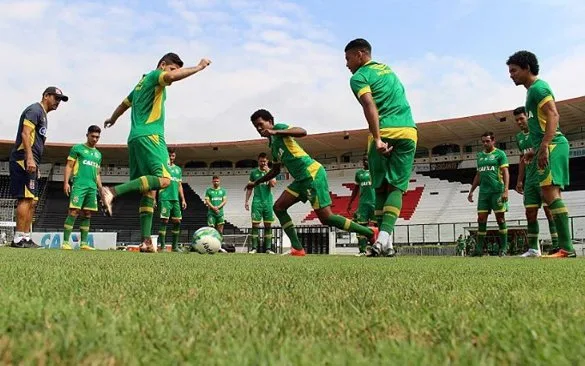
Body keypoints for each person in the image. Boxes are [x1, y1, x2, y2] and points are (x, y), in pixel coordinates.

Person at [99, 52, 211, 253]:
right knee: (165, 180)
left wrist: (112, 119)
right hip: (152, 136)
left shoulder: (140, 85)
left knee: (148, 191)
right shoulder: (154, 75)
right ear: (162, 65)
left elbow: (124, 104)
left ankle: (146, 241)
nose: (173, 75)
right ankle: (112, 191)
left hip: (135, 139)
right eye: (172, 69)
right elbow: (169, 77)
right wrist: (199, 67)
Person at [246, 109, 377, 257]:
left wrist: (275, 132)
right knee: (279, 207)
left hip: (312, 173)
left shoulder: (279, 129)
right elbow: (275, 170)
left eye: (260, 124)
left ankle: (369, 232)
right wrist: (255, 182)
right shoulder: (273, 146)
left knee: (327, 218)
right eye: (256, 126)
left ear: (270, 122)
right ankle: (298, 248)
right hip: (301, 180)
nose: (259, 128)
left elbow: (302, 131)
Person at [345, 38, 417, 257]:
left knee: (380, 188)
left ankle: (380, 240)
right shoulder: (388, 70)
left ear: (360, 54)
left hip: (384, 131)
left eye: (348, 59)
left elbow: (369, 105)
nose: (347, 65)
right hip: (408, 131)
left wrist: (377, 138)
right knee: (396, 188)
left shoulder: (359, 77)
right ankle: (387, 243)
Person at [507, 50, 575, 258]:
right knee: (549, 194)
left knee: (550, 194)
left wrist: (545, 145)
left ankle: (566, 248)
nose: (511, 75)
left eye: (514, 70)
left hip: (553, 144)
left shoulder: (538, 88)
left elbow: (554, 114)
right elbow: (541, 124)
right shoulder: (531, 92)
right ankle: (563, 248)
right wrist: (534, 151)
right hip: (545, 147)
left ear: (527, 68)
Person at [9, 86, 69, 248]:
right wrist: (29, 158)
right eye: (56, 98)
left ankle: (26, 237)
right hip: (22, 158)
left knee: (33, 201)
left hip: (32, 160)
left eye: (60, 100)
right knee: (25, 198)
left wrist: (36, 163)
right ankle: (18, 238)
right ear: (46, 96)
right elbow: (25, 134)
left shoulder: (43, 115)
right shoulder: (34, 110)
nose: (58, 102)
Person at [513, 107, 559, 257]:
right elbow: (522, 158)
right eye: (517, 120)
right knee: (530, 213)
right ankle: (533, 249)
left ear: (528, 117)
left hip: (544, 174)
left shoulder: (539, 131)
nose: (519, 122)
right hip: (530, 179)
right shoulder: (519, 137)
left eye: (521, 118)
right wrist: (520, 180)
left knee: (549, 212)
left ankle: (557, 246)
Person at [467, 132, 510, 256]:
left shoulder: (500, 154)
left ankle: (503, 248)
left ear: (493, 141)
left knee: (500, 218)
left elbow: (505, 172)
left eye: (487, 141)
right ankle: (479, 250)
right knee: (481, 219)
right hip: (483, 193)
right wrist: (471, 191)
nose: (485, 143)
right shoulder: (480, 156)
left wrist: (506, 189)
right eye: (483, 141)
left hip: (497, 191)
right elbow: (478, 174)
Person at [62, 125, 103, 250]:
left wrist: (101, 189)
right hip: (79, 185)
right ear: (87, 135)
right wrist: (66, 183)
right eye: (93, 136)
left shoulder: (98, 154)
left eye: (97, 137)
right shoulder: (77, 149)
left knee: (87, 213)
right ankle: (65, 242)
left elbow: (97, 173)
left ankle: (84, 243)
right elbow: (69, 166)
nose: (95, 139)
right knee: (73, 211)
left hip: (92, 187)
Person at [155, 147, 186, 252]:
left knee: (177, 221)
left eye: (173, 155)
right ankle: (162, 246)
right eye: (169, 155)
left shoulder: (178, 170)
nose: (171, 157)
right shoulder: (162, 167)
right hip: (165, 198)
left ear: (175, 156)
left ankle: (174, 247)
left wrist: (183, 199)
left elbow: (179, 185)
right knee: (164, 220)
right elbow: (157, 183)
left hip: (175, 199)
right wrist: (154, 198)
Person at [245, 153, 276, 254]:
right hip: (257, 201)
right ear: (258, 161)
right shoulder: (254, 172)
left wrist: (268, 172)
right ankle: (254, 248)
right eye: (261, 161)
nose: (263, 163)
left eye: (264, 161)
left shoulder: (271, 171)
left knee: (268, 225)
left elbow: (273, 184)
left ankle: (268, 248)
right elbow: (249, 187)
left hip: (268, 201)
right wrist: (246, 201)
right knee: (255, 225)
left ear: (267, 161)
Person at [347, 154, 376, 256]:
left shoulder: (375, 171)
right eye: (364, 160)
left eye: (367, 160)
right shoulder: (359, 173)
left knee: (377, 227)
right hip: (363, 204)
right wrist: (350, 203)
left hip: (375, 203)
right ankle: (362, 251)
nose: (366, 162)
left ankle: (378, 249)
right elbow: (355, 189)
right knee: (361, 227)